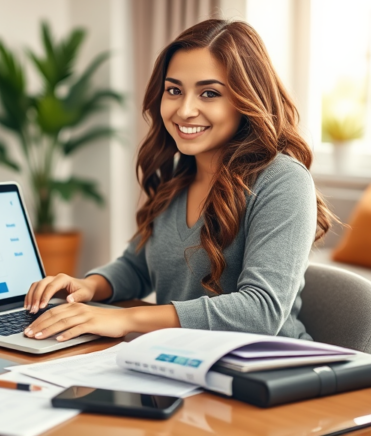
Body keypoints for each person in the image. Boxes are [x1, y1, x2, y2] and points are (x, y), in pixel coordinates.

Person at [23, 19, 335, 342]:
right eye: (174, 91)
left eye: (209, 93)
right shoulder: (176, 178)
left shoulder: (282, 181)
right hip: (179, 362)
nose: (185, 110)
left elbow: (260, 312)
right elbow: (137, 266)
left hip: (267, 373)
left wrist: (125, 319)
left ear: (246, 100)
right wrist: (89, 286)